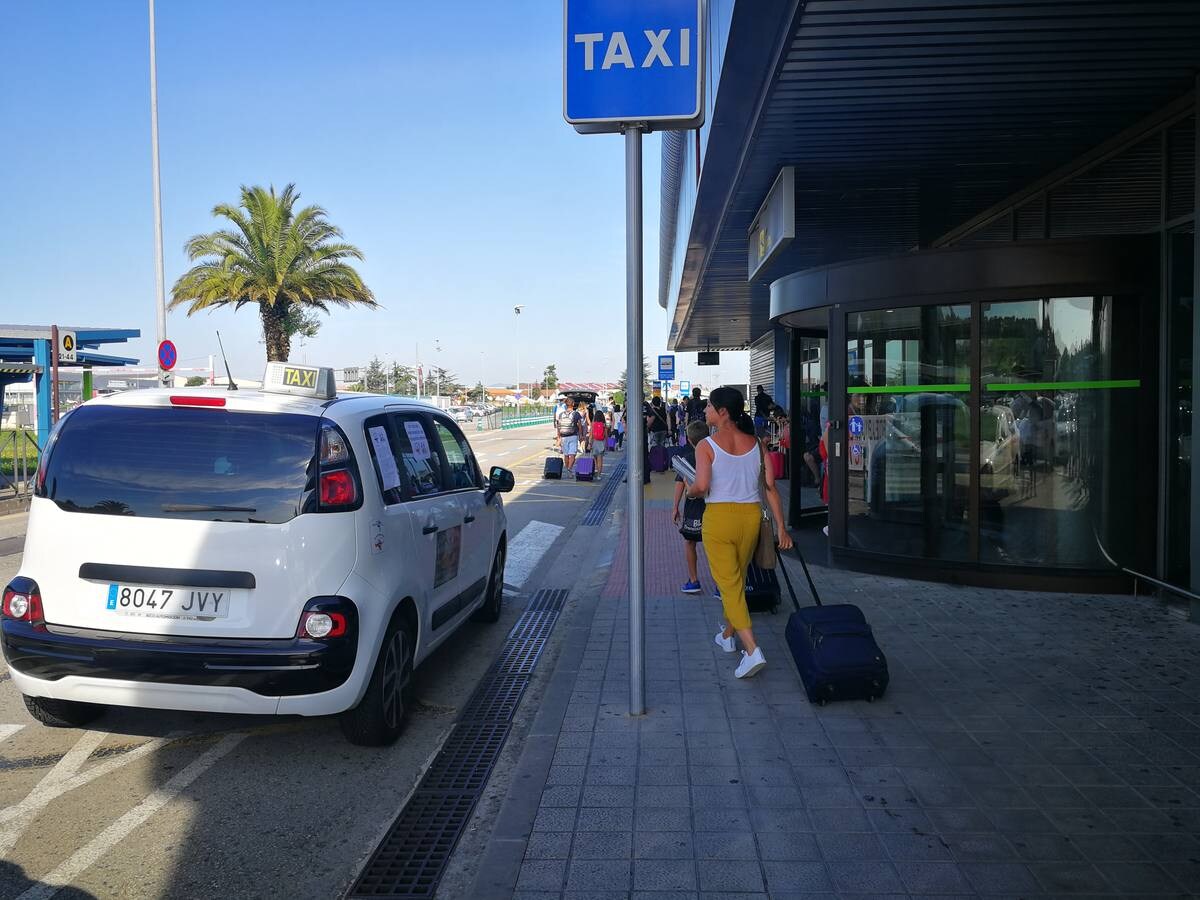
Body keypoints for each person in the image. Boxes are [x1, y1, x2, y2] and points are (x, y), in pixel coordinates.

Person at [687, 386, 791, 679]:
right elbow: (770, 487)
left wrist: (690, 488)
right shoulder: (757, 444)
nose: (705, 411)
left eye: (709, 407)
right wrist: (781, 527)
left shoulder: (706, 445)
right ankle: (728, 635)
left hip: (719, 519)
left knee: (730, 586)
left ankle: (751, 650)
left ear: (722, 412)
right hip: (750, 519)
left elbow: (702, 485)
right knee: (737, 579)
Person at [672, 420, 711, 595]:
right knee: (715, 546)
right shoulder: (714, 455)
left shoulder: (687, 458)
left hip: (693, 508)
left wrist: (675, 507)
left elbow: (680, 484)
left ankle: (694, 580)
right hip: (713, 506)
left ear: (689, 439)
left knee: (690, 542)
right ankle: (720, 585)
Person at [557, 400, 583, 474]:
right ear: (573, 404)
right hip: (573, 436)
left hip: (563, 437)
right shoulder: (576, 414)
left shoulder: (561, 414)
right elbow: (580, 425)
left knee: (566, 454)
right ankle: (569, 469)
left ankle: (567, 468)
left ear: (566, 405)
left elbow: (559, 426)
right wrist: (581, 435)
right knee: (572, 454)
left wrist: (558, 436)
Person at [590, 408, 608, 478]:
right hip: (601, 442)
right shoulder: (603, 424)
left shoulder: (593, 424)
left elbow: (591, 434)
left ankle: (596, 470)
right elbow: (606, 435)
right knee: (600, 459)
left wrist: (589, 443)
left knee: (595, 459)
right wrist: (607, 443)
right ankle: (599, 475)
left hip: (594, 442)